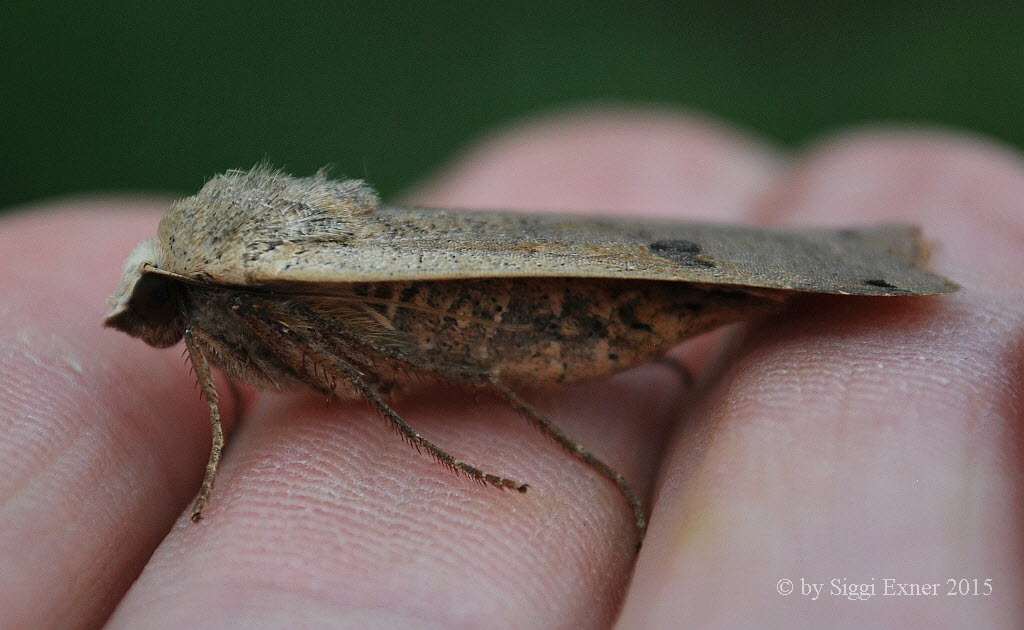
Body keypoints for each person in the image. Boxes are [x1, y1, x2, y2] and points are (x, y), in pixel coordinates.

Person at [1, 109, 1020, 629]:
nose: (150, 325)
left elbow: (383, 360)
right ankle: (839, 261)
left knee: (439, 330)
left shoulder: (243, 299)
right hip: (546, 326)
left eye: (160, 307)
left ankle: (843, 265)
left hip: (545, 320)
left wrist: (222, 450)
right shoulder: (238, 310)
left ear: (196, 287)